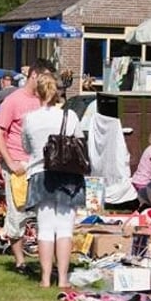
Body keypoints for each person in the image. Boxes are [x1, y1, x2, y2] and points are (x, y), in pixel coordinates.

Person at [21, 73, 86, 289]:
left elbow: (27, 147)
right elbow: (79, 143)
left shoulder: (30, 118)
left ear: (37, 92)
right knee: (65, 228)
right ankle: (63, 278)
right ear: (57, 92)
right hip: (68, 175)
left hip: (40, 173)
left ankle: (45, 278)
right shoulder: (70, 117)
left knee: (45, 228)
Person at [0, 58, 56, 275]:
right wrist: (10, 162)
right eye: (46, 77)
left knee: (42, 213)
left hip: (39, 164)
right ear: (34, 75)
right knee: (17, 212)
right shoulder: (13, 101)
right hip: (18, 165)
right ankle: (20, 262)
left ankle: (45, 261)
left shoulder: (43, 100)